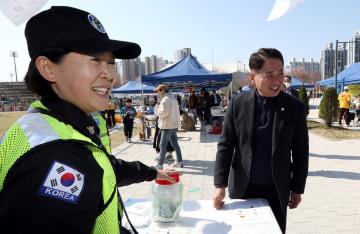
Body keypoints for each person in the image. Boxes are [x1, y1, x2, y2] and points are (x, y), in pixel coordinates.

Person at [0, 6, 177, 233]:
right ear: (48, 68)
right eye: (95, 60)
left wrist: (152, 173)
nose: (110, 75)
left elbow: (100, 167)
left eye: (111, 62)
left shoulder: (57, 123)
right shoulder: (53, 156)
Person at [213, 48, 309, 233]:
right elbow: (226, 146)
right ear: (252, 78)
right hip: (243, 187)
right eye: (269, 74)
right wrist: (220, 185)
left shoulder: (294, 108)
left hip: (276, 189)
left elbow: (300, 151)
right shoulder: (238, 104)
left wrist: (297, 189)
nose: (277, 80)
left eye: (280, 73)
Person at [154, 84, 183, 169]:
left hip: (167, 126)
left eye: (158, 91)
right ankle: (179, 162)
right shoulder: (173, 98)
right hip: (174, 125)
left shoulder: (165, 99)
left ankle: (160, 164)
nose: (157, 93)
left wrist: (157, 110)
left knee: (162, 145)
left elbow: (163, 113)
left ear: (162, 90)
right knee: (175, 144)